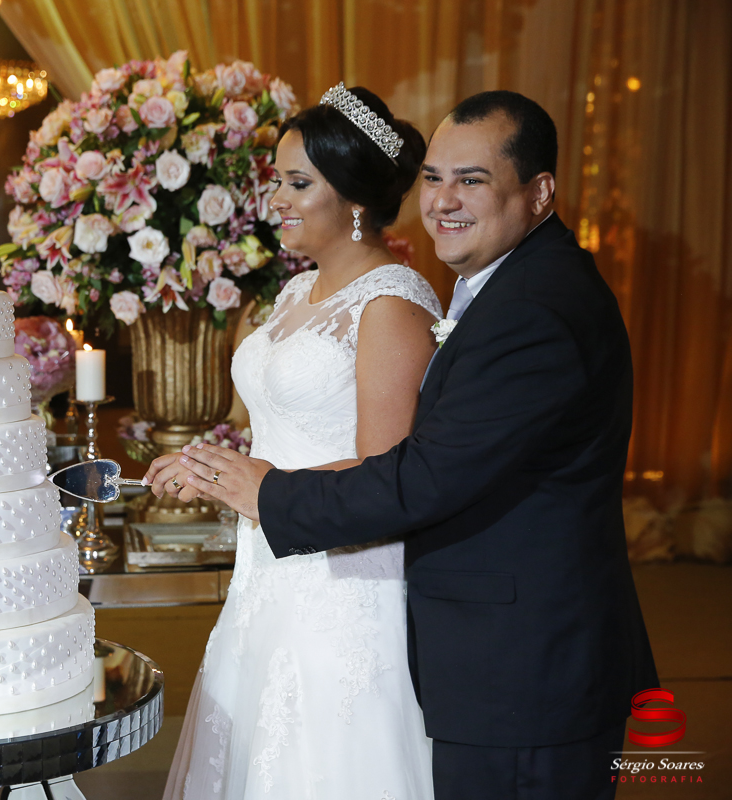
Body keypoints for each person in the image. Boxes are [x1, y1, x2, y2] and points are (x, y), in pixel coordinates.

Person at [173, 91, 658, 800]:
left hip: (525, 670)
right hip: (487, 653)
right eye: (433, 177)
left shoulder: (535, 309)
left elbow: (420, 476)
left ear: (540, 191)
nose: (443, 200)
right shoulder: (507, 285)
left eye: (472, 179)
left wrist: (266, 491)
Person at [149, 84, 441, 800]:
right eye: (277, 180)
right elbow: (275, 432)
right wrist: (204, 468)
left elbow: (389, 473)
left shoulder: (391, 305)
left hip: (344, 582)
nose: (274, 199)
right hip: (269, 569)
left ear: (355, 200)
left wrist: (241, 482)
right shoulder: (290, 294)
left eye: (297, 183)